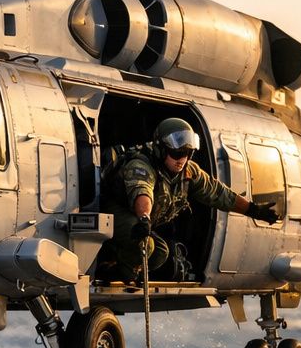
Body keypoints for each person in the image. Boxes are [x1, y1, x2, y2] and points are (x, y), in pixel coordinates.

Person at [99, 117, 280, 280]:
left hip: (138, 221)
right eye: (176, 153)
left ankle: (117, 262)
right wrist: (144, 217)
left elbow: (218, 193)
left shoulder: (188, 172)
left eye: (186, 154)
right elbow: (142, 192)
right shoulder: (141, 165)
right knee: (146, 245)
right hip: (116, 213)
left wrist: (253, 210)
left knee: (161, 253)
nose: (182, 159)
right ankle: (116, 273)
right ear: (162, 150)